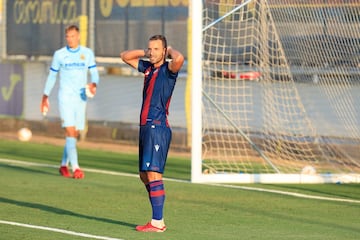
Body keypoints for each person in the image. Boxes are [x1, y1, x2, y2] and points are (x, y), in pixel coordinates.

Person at [120, 35, 184, 232]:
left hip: (157, 127)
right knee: (144, 175)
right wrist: (144, 52)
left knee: (153, 173)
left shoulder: (168, 70)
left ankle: (158, 221)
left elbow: (179, 58)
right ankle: (157, 217)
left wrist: (170, 49)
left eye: (156, 49)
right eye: (150, 49)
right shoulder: (148, 68)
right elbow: (124, 56)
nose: (152, 52)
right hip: (146, 127)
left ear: (164, 52)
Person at [40, 25, 99, 179]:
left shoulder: (87, 53)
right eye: (67, 36)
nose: (70, 39)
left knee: (75, 134)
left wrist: (94, 84)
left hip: (81, 98)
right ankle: (76, 168)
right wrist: (45, 95)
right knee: (70, 132)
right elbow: (52, 76)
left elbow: (94, 73)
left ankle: (63, 165)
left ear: (78, 36)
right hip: (65, 97)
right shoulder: (59, 55)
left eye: (72, 36)